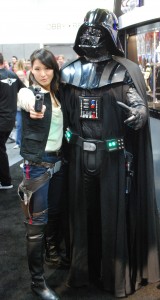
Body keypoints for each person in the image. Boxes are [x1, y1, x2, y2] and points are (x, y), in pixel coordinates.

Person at [60, 8, 160, 298]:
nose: (91, 36)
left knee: (111, 217)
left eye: (97, 31)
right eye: (87, 31)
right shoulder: (69, 71)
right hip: (79, 155)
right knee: (81, 217)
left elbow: (136, 102)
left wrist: (140, 114)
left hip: (113, 158)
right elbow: (62, 112)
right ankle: (82, 272)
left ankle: (114, 278)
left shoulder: (124, 71)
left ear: (109, 35)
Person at [17, 48, 68, 300]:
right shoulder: (28, 91)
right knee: (35, 225)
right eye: (37, 68)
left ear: (54, 69)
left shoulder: (58, 94)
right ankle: (37, 282)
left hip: (57, 163)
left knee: (55, 212)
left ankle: (52, 251)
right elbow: (27, 100)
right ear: (30, 70)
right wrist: (34, 106)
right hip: (37, 165)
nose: (42, 73)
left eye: (47, 68)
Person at [0, 53, 25, 189]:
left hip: (2, 119)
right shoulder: (13, 75)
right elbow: (24, 90)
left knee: (1, 151)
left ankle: (5, 181)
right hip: (10, 118)